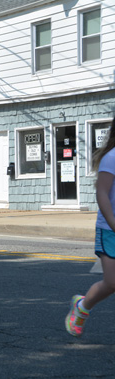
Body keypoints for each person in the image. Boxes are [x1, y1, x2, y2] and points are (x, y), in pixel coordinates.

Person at [66, 116, 115, 337]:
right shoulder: (111, 158)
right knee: (112, 282)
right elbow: (102, 192)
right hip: (110, 229)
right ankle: (82, 309)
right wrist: (112, 221)